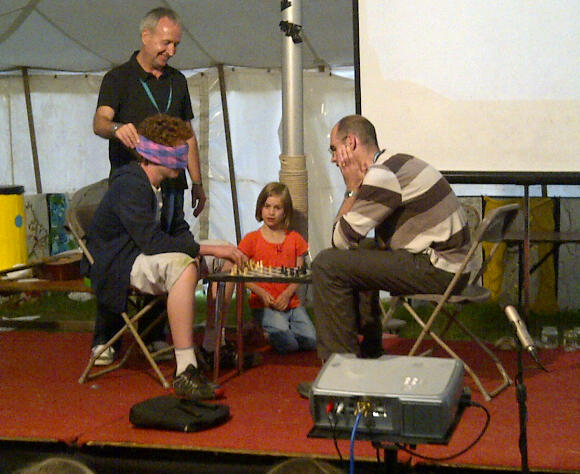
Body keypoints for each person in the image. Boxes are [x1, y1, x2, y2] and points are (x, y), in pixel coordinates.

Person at [84, 114, 247, 400]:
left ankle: (212, 347)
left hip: (145, 253)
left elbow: (177, 230)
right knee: (185, 267)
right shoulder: (129, 184)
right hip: (121, 262)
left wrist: (212, 250)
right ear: (153, 153)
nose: (184, 158)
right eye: (176, 150)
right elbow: (151, 241)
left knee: (227, 255)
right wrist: (203, 251)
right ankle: (185, 370)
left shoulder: (167, 186)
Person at [91, 7, 206, 360]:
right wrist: (116, 129)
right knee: (122, 258)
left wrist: (197, 182)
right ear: (146, 36)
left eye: (176, 45)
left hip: (172, 187)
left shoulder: (177, 81)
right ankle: (105, 339)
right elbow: (99, 123)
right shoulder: (118, 78)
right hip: (131, 186)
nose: (171, 51)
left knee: (167, 253)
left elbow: (187, 134)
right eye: (166, 43)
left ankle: (154, 335)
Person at [310, 114, 471, 365]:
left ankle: (340, 371)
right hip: (454, 267)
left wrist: (351, 189)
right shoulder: (396, 162)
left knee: (326, 264)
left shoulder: (382, 176)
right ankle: (370, 350)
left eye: (333, 149)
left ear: (350, 143)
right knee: (362, 248)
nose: (332, 159)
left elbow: (339, 240)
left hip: (440, 270)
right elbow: (354, 240)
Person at [235, 182, 316, 354]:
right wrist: (262, 293)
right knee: (289, 346)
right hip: (264, 304)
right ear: (261, 208)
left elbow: (299, 274)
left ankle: (272, 328)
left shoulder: (295, 239)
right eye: (267, 206)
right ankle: (262, 330)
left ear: (285, 211)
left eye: (277, 208)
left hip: (291, 303)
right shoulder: (251, 239)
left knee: (311, 341)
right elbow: (241, 274)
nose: (271, 212)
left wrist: (286, 295)